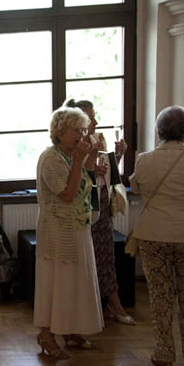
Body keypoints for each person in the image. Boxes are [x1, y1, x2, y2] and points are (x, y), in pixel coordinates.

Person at [129, 105, 184, 366]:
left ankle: (164, 352)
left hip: (154, 236)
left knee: (160, 295)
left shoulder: (144, 160)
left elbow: (136, 187)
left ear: (158, 131)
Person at [34, 105, 104, 359]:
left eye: (83, 130)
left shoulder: (70, 155)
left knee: (76, 281)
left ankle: (71, 328)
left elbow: (85, 182)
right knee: (56, 282)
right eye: (76, 131)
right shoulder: (50, 158)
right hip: (57, 232)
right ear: (59, 132)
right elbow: (67, 194)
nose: (81, 135)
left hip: (77, 227)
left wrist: (91, 157)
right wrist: (79, 161)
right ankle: (46, 334)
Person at [64, 99, 135, 325]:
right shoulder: (69, 148)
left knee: (106, 257)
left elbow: (109, 176)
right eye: (90, 118)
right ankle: (86, 310)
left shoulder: (96, 141)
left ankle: (113, 305)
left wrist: (119, 155)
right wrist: (93, 170)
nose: (95, 122)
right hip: (82, 207)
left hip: (101, 206)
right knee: (84, 260)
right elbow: (74, 183)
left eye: (94, 117)